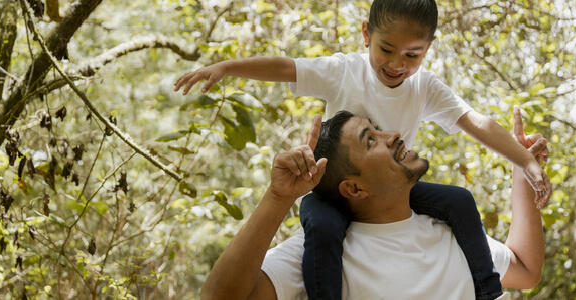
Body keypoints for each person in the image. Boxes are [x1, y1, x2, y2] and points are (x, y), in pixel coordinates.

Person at [175, 0, 551, 298]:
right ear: (366, 34)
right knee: (322, 228)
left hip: (388, 192)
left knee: (460, 200)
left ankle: (487, 290)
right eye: (387, 49)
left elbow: (476, 121)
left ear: (428, 49)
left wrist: (524, 164)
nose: (396, 64)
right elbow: (286, 67)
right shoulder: (343, 70)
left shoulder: (426, 88)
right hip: (329, 193)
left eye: (412, 55)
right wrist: (227, 67)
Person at [201, 110, 545, 300]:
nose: (393, 135)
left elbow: (526, 270)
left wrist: (521, 169)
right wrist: (278, 197)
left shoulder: (452, 229)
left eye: (378, 128)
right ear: (353, 187)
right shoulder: (324, 251)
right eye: (371, 140)